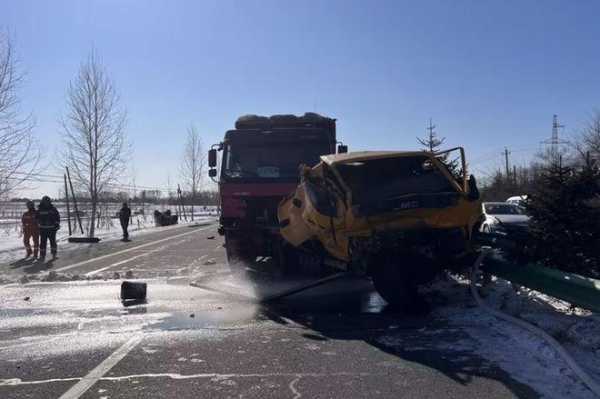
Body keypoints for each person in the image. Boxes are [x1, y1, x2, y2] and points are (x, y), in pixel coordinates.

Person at [37, 196, 60, 261]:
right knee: (42, 243)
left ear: (49, 201)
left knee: (53, 242)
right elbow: (36, 218)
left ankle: (54, 254)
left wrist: (57, 224)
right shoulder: (40, 209)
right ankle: (42, 255)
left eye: (47, 201)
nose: (46, 202)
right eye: (45, 201)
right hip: (43, 229)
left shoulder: (53, 209)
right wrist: (38, 222)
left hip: (52, 229)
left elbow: (57, 217)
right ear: (42, 201)